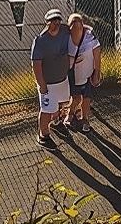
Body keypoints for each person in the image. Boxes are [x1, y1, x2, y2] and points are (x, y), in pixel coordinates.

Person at [30, 8, 71, 149]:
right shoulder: (40, 41)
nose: (55, 24)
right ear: (46, 23)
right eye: (52, 21)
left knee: (62, 102)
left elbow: (78, 26)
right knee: (46, 110)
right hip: (48, 83)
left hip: (62, 79)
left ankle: (56, 121)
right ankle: (43, 134)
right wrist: (42, 85)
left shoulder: (65, 31)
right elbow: (36, 64)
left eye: (58, 20)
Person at [64, 13, 101, 132]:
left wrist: (97, 72)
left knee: (86, 97)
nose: (76, 27)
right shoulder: (65, 39)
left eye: (78, 24)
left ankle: (84, 118)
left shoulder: (90, 38)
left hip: (87, 72)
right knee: (75, 97)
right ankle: (69, 114)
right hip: (72, 73)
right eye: (73, 24)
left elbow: (97, 55)